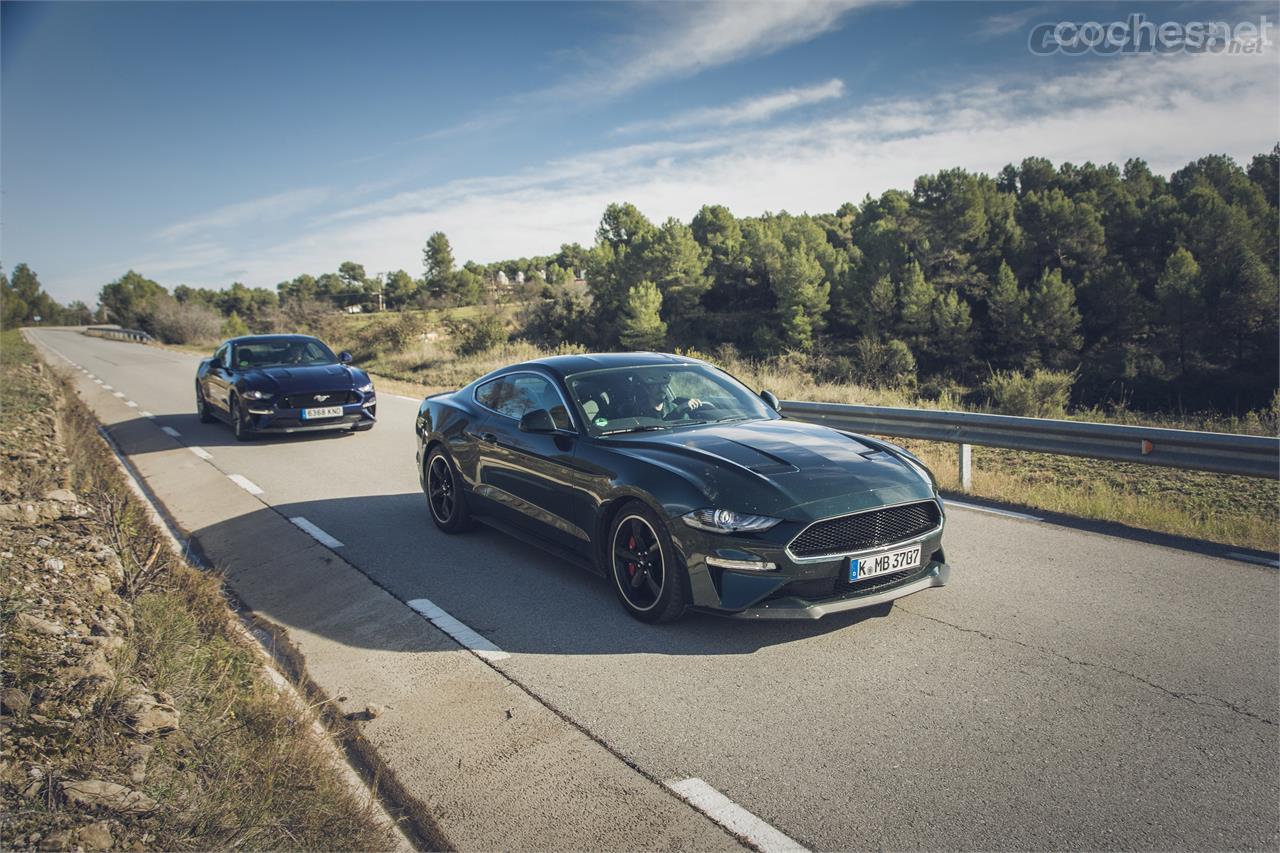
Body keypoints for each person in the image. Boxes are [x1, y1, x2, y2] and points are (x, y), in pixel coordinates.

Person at [635, 376, 703, 420]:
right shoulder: (639, 413)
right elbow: (658, 429)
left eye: (664, 384)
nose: (661, 388)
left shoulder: (672, 407)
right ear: (647, 389)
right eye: (656, 385)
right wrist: (677, 411)